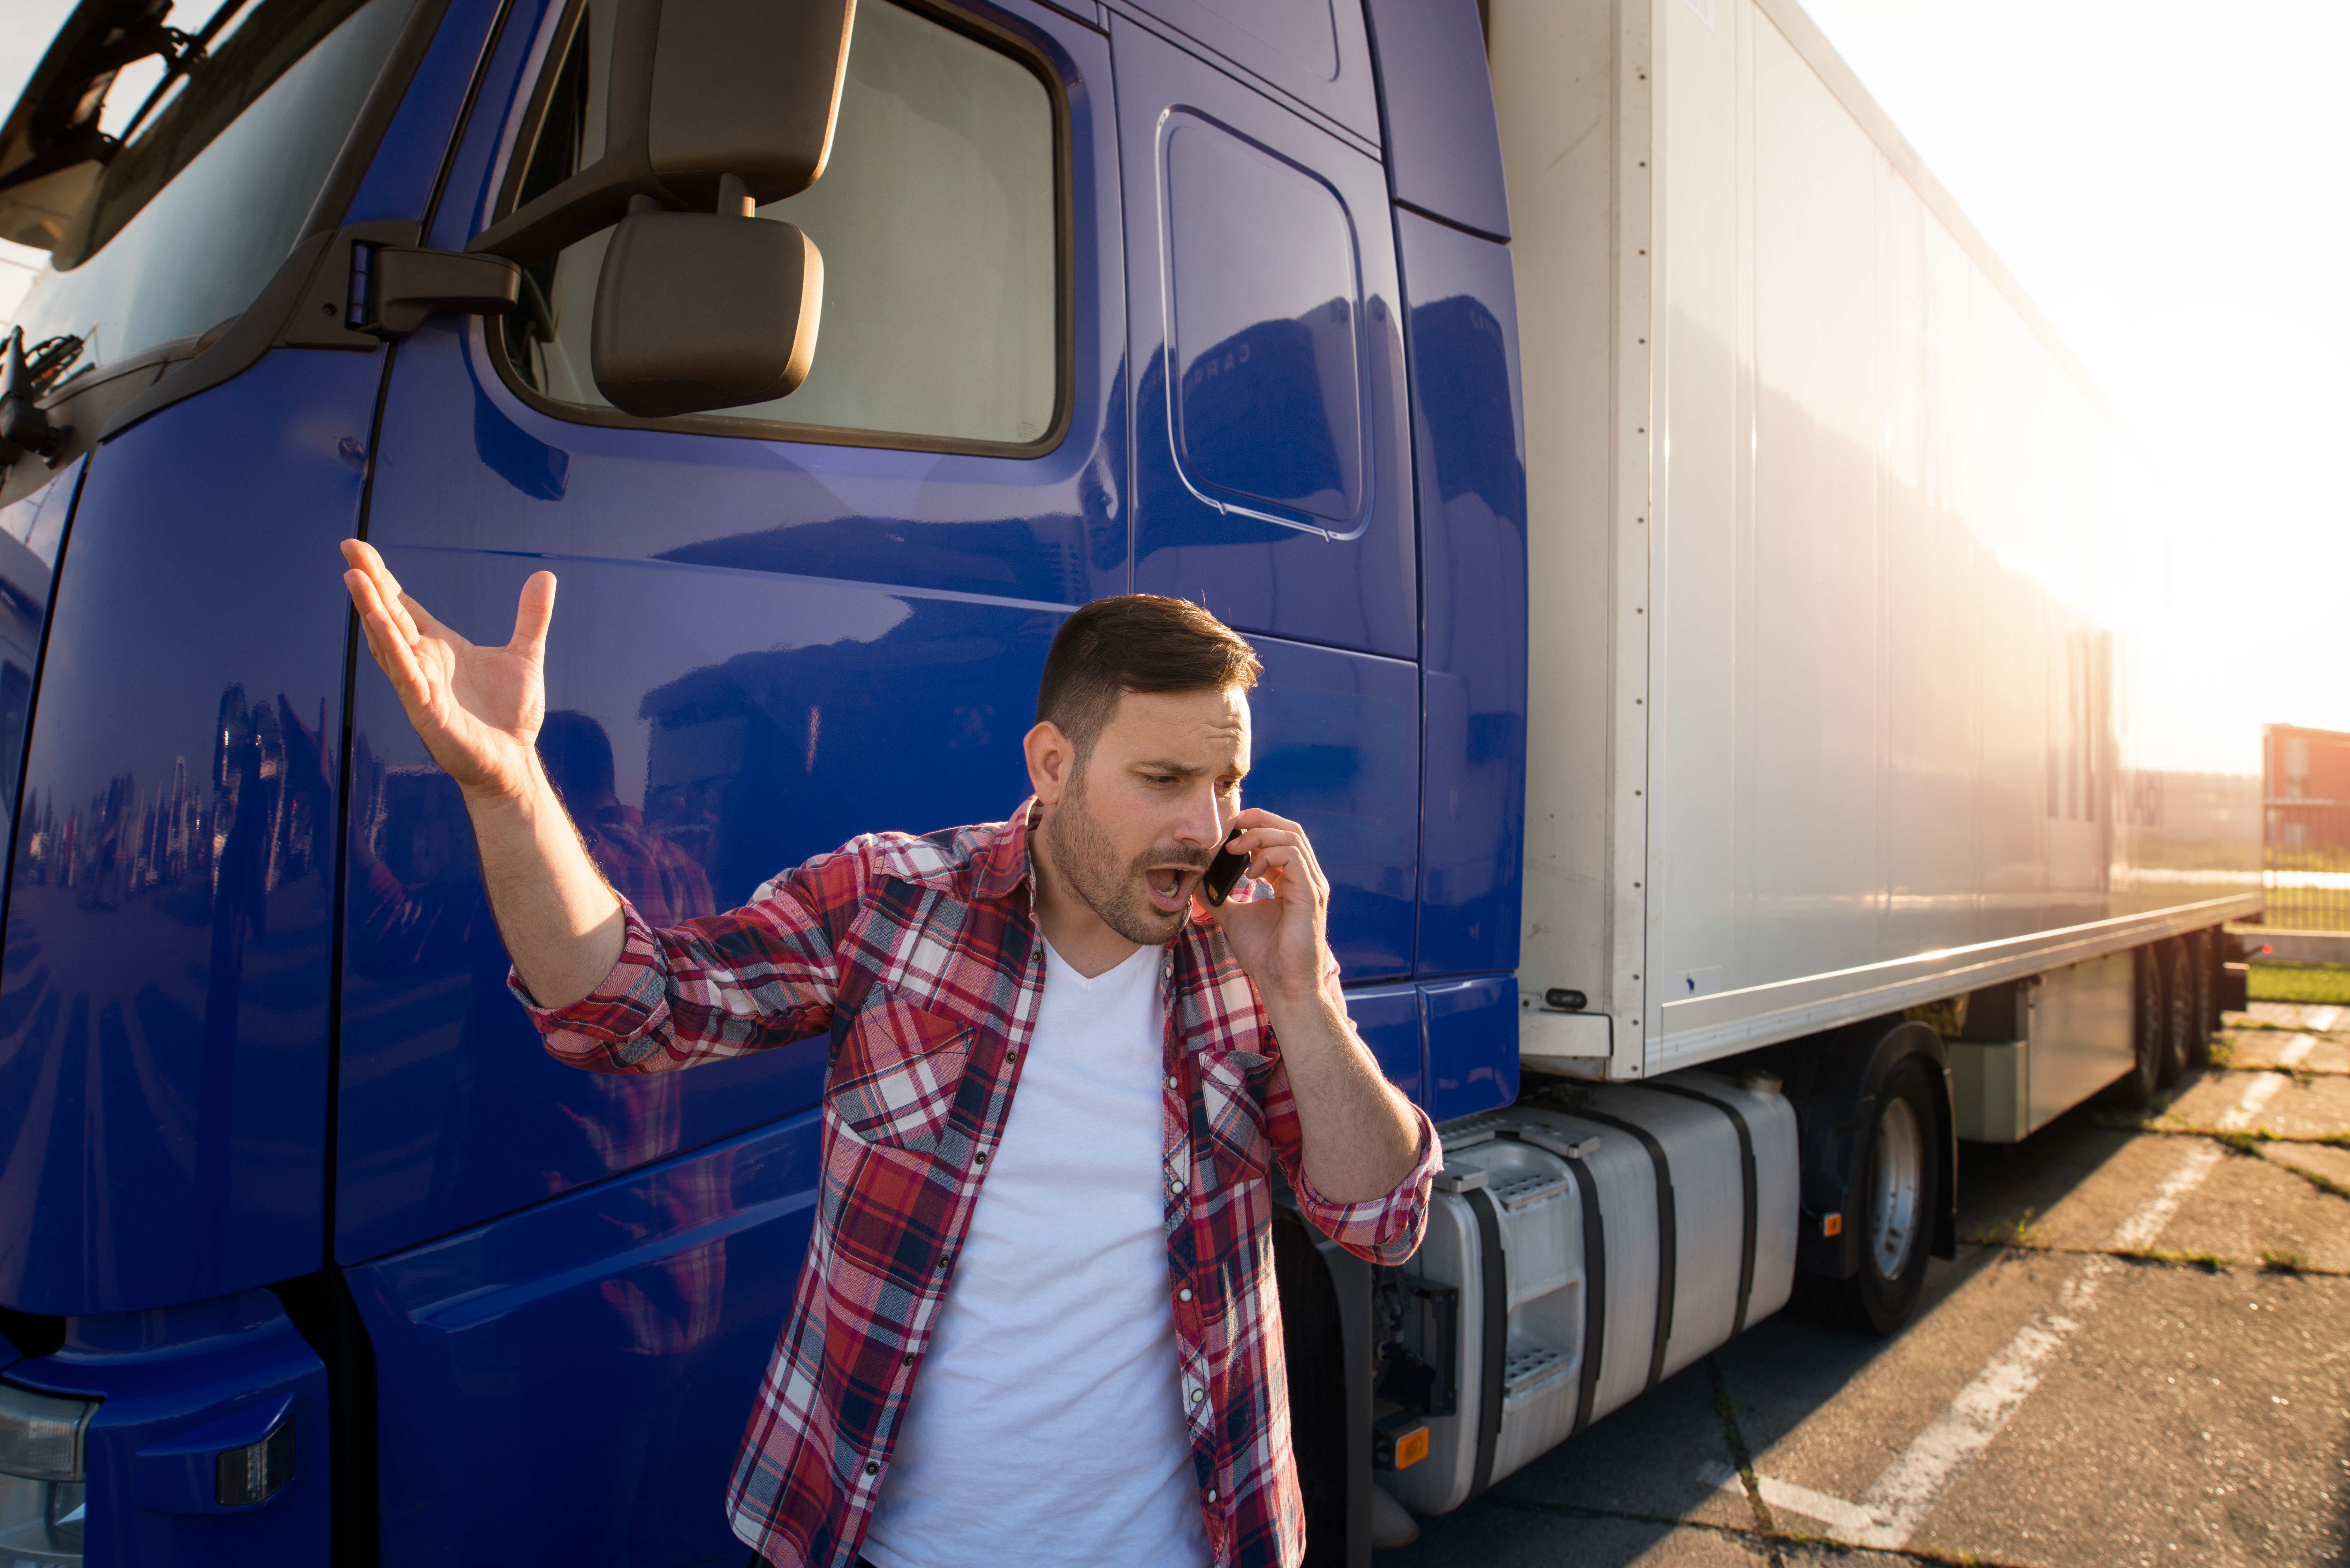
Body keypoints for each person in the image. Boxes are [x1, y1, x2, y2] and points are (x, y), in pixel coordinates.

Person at [338, 539, 1436, 1568]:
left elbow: (1381, 1218)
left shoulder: (1253, 959)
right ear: (1052, 763)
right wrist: (507, 786)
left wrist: (1302, 993)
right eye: (1164, 781)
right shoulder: (896, 906)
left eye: (1229, 780)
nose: (1208, 826)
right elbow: (626, 1010)